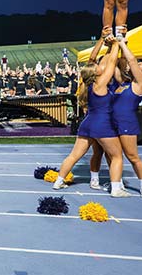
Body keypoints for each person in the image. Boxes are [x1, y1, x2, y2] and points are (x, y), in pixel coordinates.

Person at [54, 34, 129, 197]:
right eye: (97, 68)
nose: (99, 67)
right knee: (117, 156)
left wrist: (105, 43)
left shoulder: (87, 85)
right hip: (102, 124)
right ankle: (116, 188)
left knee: (74, 155)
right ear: (95, 74)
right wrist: (116, 43)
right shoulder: (100, 84)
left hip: (87, 123)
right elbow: (110, 65)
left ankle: (59, 181)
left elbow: (99, 61)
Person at [89, 37, 142, 197]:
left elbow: (131, 60)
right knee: (113, 155)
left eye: (141, 66)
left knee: (132, 156)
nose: (137, 65)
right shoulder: (124, 82)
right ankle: (116, 184)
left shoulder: (141, 84)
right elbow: (114, 64)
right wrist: (111, 45)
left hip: (126, 123)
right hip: (112, 122)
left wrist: (121, 42)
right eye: (138, 64)